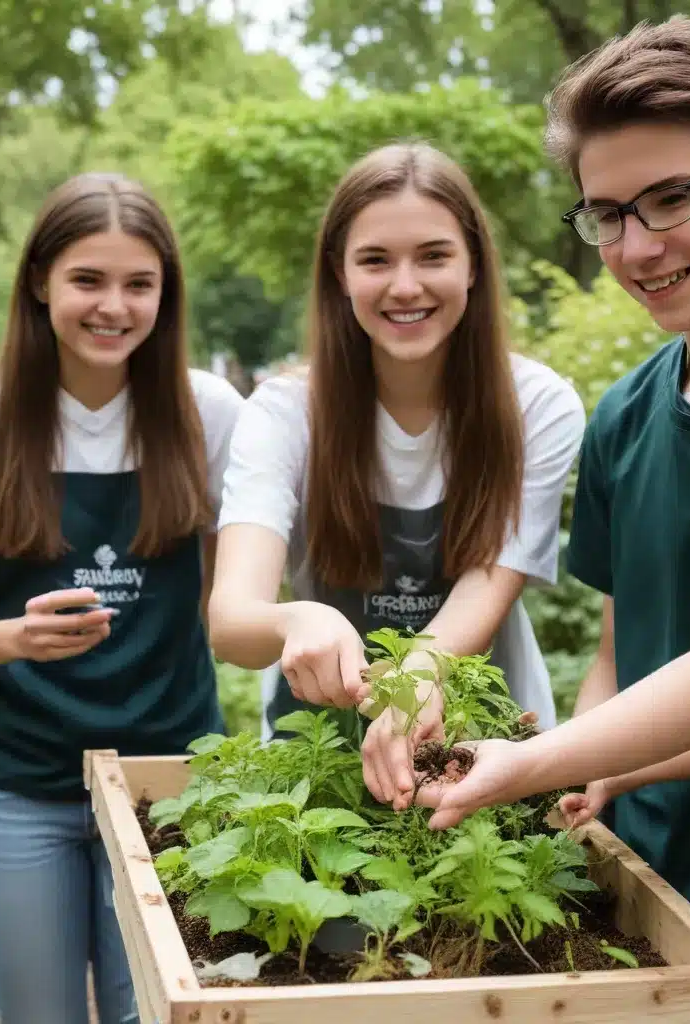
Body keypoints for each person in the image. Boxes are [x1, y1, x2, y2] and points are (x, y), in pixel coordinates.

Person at [403, 18, 690, 1021]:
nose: (637, 247)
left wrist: (563, 758)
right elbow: (619, 648)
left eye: (671, 199)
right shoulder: (627, 412)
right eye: (606, 214)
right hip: (650, 906)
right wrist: (588, 771)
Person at [0, 173, 243, 1024]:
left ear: (166, 291)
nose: (113, 306)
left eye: (139, 284)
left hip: (171, 782)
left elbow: (236, 606)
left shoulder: (210, 412)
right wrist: (14, 638)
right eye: (88, 280)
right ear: (40, 281)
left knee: (156, 1014)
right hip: (21, 784)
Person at [207, 141, 586, 805]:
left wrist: (414, 676)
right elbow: (233, 622)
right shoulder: (282, 414)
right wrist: (297, 620)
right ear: (339, 273)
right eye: (375, 259)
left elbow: (488, 589)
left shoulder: (538, 405)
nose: (405, 286)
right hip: (312, 775)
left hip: (491, 757)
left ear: (473, 265)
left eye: (433, 256)